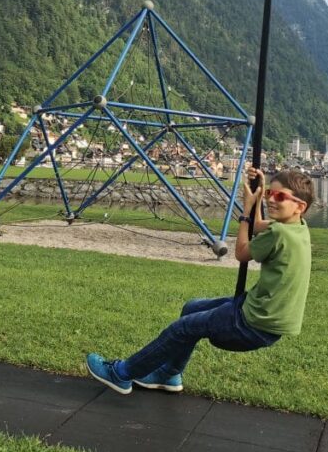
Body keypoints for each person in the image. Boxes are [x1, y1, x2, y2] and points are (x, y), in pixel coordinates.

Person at [85, 166, 314, 394]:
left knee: (182, 329)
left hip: (253, 322)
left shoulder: (279, 233)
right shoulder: (297, 227)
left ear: (299, 207)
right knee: (191, 308)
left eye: (280, 196)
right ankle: (169, 374)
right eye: (269, 195)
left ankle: (121, 374)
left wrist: (245, 209)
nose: (272, 200)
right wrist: (258, 193)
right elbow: (256, 227)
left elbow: (242, 252)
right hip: (263, 314)